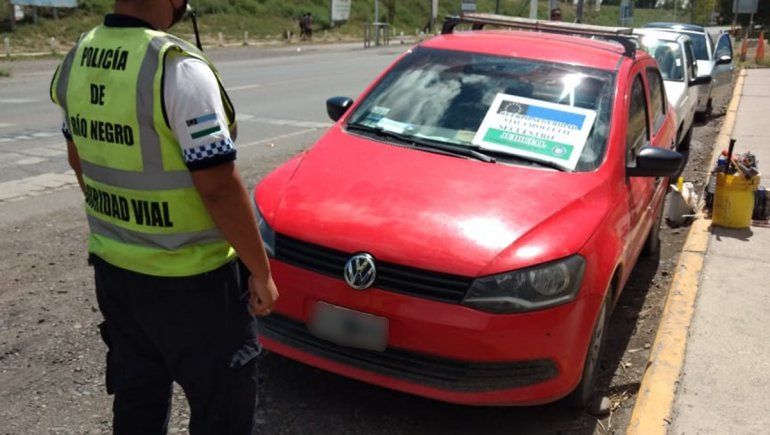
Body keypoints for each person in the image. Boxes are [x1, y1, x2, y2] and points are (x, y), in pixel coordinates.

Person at [49, 0, 278, 433]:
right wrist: (260, 270)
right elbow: (217, 185)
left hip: (117, 275)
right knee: (222, 413)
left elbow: (78, 157)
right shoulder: (176, 68)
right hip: (197, 285)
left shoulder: (77, 57)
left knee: (138, 404)